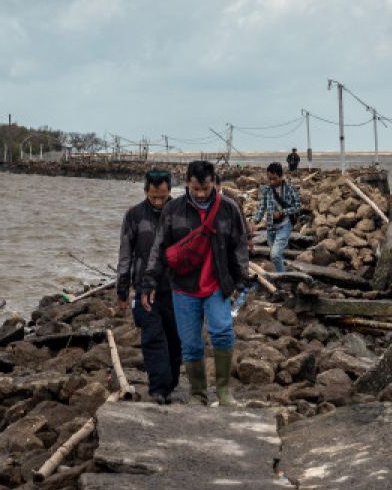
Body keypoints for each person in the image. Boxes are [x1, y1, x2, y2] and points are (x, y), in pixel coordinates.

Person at [141, 160, 252, 407]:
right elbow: (159, 248)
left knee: (222, 332)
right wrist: (149, 281)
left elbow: (240, 246)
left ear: (214, 182)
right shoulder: (174, 210)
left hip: (217, 284)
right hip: (183, 287)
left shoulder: (229, 209)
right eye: (195, 189)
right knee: (190, 344)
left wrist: (242, 280)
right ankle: (198, 394)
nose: (200, 194)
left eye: (205, 188)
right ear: (187, 184)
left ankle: (223, 392)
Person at [116, 170, 182, 404]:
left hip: (176, 288)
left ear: (169, 192)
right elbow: (125, 255)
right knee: (152, 337)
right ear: (145, 191)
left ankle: (170, 383)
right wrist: (122, 290)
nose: (157, 202)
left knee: (175, 340)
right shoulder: (134, 216)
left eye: (162, 197)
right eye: (153, 197)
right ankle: (158, 389)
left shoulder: (180, 212)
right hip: (144, 289)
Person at [253, 161, 301, 274]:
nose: (271, 182)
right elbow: (262, 207)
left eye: (274, 178)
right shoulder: (266, 189)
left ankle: (281, 277)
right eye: (269, 179)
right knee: (276, 253)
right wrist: (254, 222)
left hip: (285, 225)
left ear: (281, 176)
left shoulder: (290, 188)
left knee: (274, 255)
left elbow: (298, 207)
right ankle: (283, 269)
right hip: (271, 227)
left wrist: (283, 212)